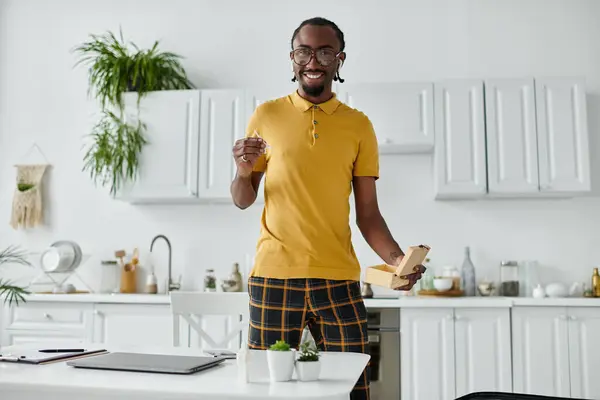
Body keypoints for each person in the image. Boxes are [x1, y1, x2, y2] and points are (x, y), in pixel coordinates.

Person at [230, 17, 425, 400]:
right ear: (292, 58)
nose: (312, 60)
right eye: (303, 51)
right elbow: (242, 198)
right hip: (274, 276)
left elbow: (368, 214)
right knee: (267, 390)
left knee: (352, 390)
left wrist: (399, 260)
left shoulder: (358, 126)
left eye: (324, 51)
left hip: (337, 279)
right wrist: (241, 170)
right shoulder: (266, 116)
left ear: (339, 59)